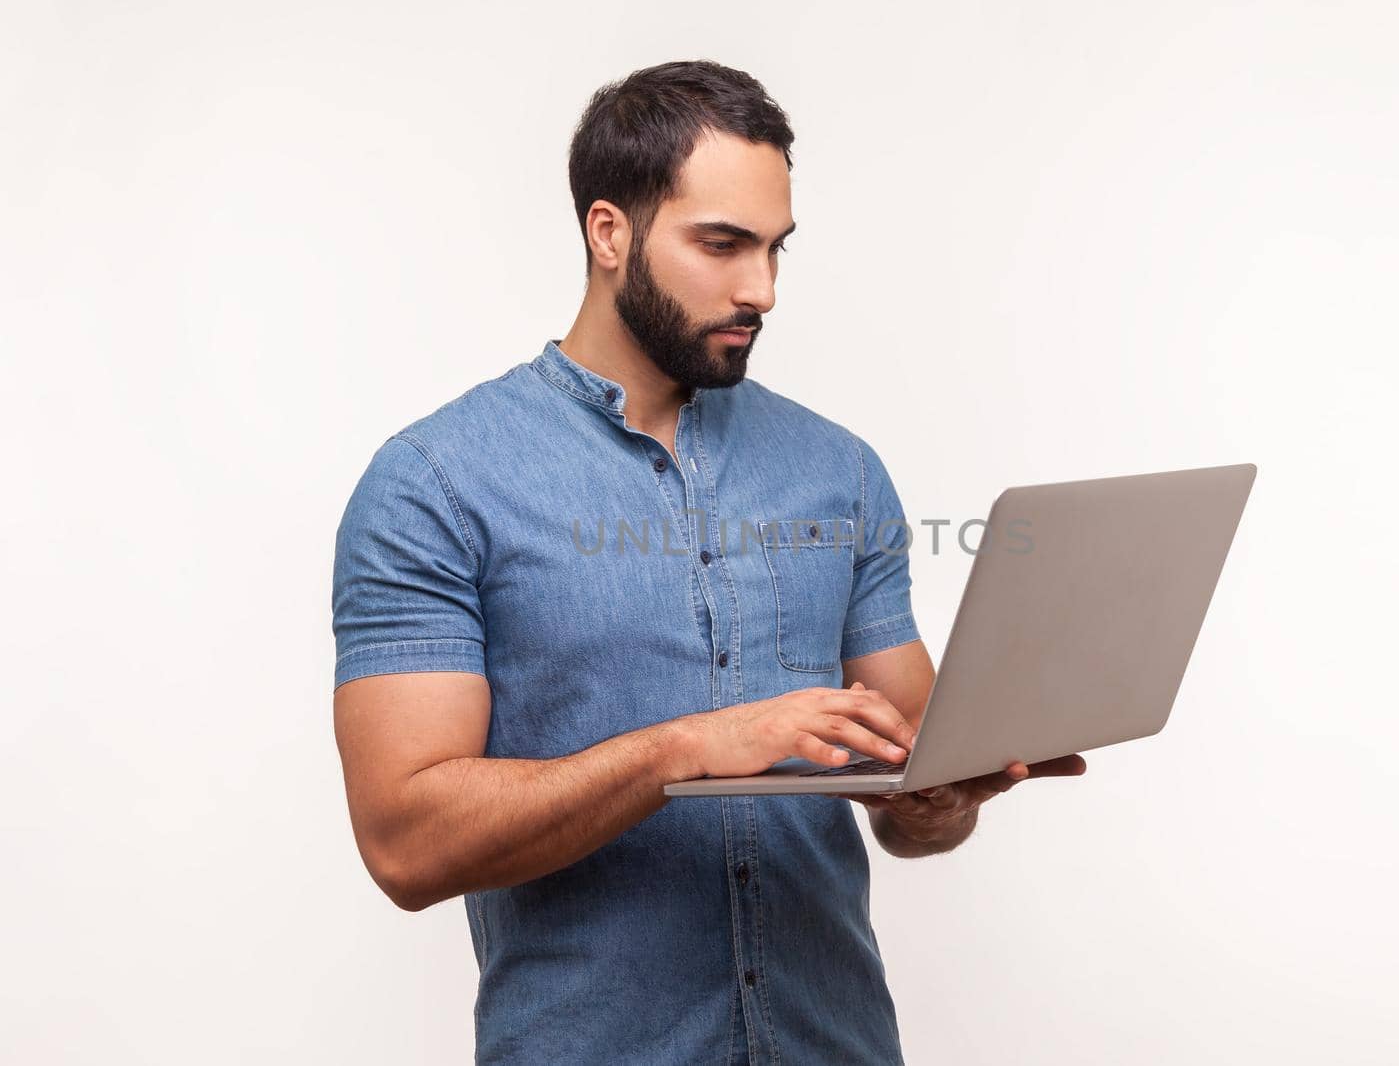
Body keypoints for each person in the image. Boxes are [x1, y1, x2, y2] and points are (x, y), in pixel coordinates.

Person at [330, 58, 1086, 1065]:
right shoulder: (435, 483)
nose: (760, 288)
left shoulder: (839, 471)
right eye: (721, 244)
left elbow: (911, 801)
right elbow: (406, 844)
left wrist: (940, 797)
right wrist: (686, 747)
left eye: (774, 248)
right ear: (609, 232)